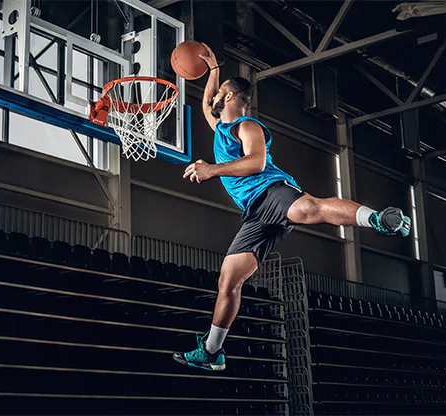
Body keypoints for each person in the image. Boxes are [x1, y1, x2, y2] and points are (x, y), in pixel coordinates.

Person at [172, 43, 411, 372]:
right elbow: (205, 103)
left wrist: (211, 170)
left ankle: (377, 219)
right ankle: (212, 351)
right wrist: (213, 71)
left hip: (270, 191)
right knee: (228, 281)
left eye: (219, 93)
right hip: (255, 215)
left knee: (309, 209)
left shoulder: (247, 126)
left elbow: (256, 163)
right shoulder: (221, 128)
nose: (211, 98)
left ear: (228, 97)